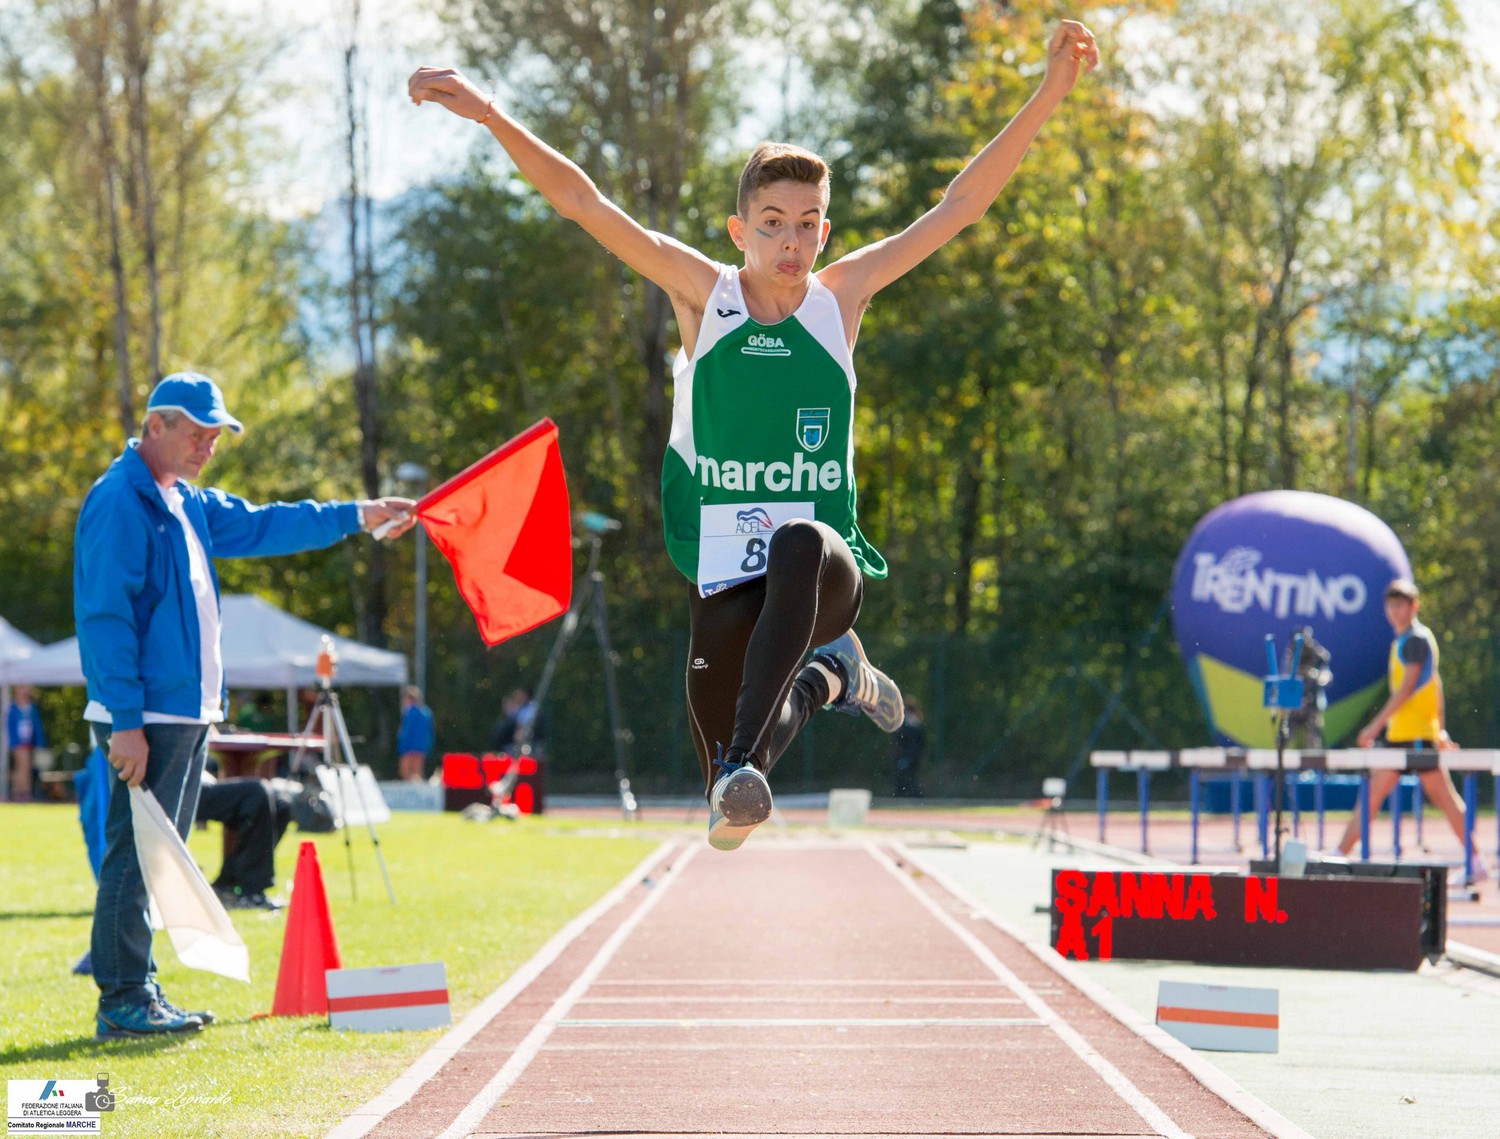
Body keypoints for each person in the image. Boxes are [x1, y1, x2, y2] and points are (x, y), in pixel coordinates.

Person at [408, 20, 1099, 851]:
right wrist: (489, 113)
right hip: (723, 566)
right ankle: (829, 680)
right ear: (740, 231)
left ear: (825, 231)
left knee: (797, 543)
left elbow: (960, 206)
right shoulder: (704, 296)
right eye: (772, 222)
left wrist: (1049, 93)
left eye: (808, 223)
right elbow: (585, 203)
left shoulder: (841, 299)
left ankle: (773, 719)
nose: (791, 241)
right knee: (731, 800)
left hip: (823, 570)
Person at [75, 371, 416, 1040]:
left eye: (216, 437)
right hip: (149, 717)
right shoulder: (120, 500)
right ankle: (122, 999)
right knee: (137, 857)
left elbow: (267, 524)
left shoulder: (185, 500)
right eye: (198, 434)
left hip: (185, 712)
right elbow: (106, 618)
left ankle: (137, 989)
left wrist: (359, 513)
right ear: (156, 426)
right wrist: (126, 722)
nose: (209, 447)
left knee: (157, 859)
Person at [1335, 579, 1491, 881]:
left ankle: (1476, 860)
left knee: (1443, 798)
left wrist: (1374, 727)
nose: (1395, 611)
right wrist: (1441, 730)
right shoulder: (1404, 641)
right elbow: (1435, 685)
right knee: (1374, 796)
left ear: (1414, 606)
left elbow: (1407, 689)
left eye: (1400, 605)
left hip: (1416, 736)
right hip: (1403, 736)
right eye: (1391, 605)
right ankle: (1339, 854)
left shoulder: (1416, 640)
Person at [195, 772, 293, 910]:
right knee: (256, 791)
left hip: (196, 781)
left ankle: (229, 884)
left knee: (281, 805)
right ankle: (252, 892)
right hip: (172, 788)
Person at [6, 684, 46, 802]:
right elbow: (10, 728)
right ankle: (22, 792)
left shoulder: (31, 708)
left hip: (29, 743)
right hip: (18, 743)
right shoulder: (13, 709)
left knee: (24, 767)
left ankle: (19, 792)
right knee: (22, 767)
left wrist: (40, 742)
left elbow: (37, 726)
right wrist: (13, 743)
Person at [490, 686, 544, 756]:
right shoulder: (516, 709)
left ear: (526, 696)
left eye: (519, 695)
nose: (517, 697)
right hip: (510, 743)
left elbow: (522, 727)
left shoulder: (530, 708)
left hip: (527, 742)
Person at [397, 685, 435, 782]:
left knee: (406, 772)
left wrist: (402, 747)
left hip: (409, 747)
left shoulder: (410, 712)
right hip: (422, 747)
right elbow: (430, 732)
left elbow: (406, 732)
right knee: (417, 772)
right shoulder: (427, 712)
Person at [891, 695, 926, 799]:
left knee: (908, 777)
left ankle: (911, 795)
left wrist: (908, 756)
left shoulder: (911, 724)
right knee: (908, 777)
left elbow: (914, 743)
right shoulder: (911, 724)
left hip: (910, 756)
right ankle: (907, 794)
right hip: (910, 755)